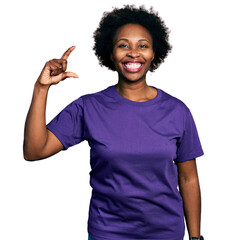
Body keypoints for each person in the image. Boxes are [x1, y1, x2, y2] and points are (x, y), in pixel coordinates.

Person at [23, 4, 205, 240]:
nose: (133, 53)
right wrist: (41, 88)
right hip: (108, 234)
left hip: (165, 233)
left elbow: (188, 178)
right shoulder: (88, 107)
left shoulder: (177, 111)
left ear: (153, 53)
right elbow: (34, 150)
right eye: (123, 45)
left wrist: (196, 237)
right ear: (110, 54)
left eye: (143, 45)